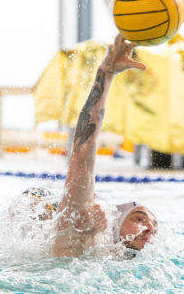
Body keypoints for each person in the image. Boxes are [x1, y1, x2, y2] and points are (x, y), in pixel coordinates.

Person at [52, 35, 158, 257]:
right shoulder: (83, 239)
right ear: (114, 225)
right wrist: (106, 73)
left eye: (154, 226)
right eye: (139, 218)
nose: (150, 228)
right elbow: (82, 154)